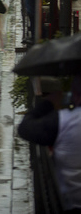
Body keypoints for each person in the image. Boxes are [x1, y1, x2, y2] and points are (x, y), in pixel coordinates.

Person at [18, 76, 81, 212]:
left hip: (70, 203)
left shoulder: (66, 120)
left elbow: (25, 128)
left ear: (75, 95)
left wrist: (49, 102)